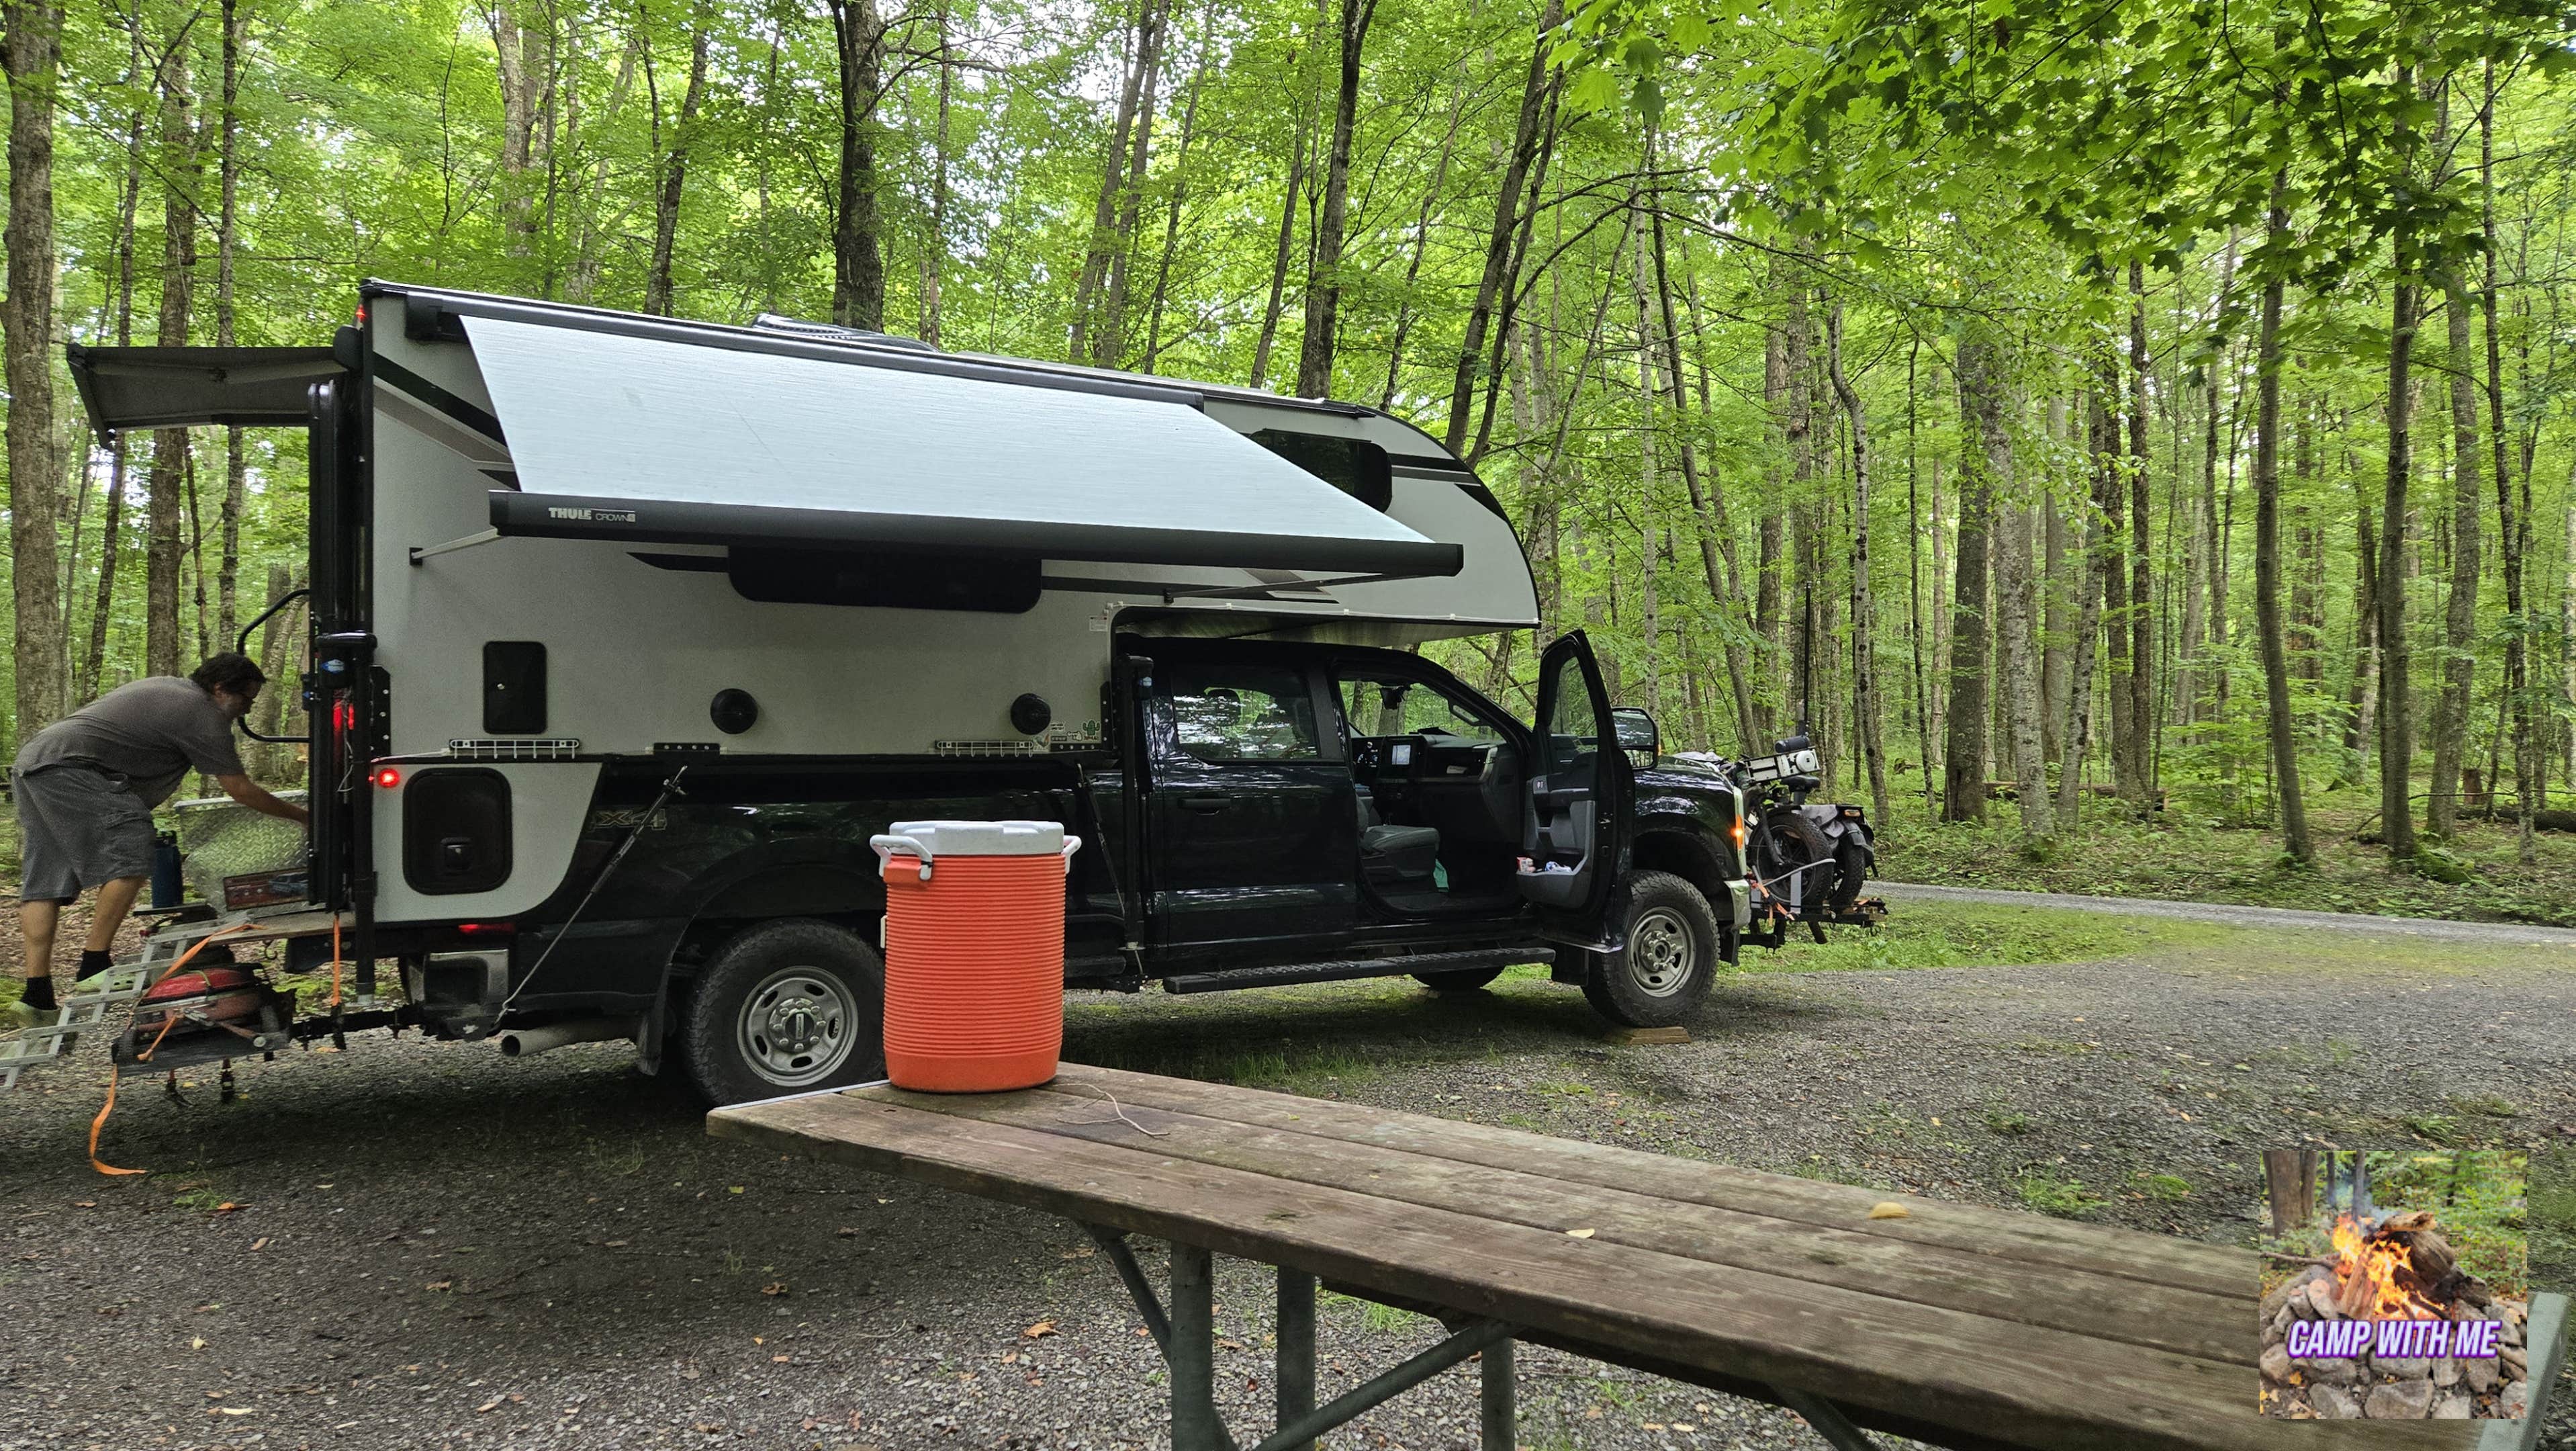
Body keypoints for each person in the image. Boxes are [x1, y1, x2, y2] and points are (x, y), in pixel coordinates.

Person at [10, 654, 308, 1013]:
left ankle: (36, 997)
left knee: (47, 876)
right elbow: (241, 791)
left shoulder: (171, 688)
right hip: (67, 767)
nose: (246, 710)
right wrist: (306, 817)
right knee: (134, 846)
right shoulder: (203, 715)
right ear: (219, 689)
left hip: (34, 763)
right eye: (245, 699)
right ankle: (94, 966)